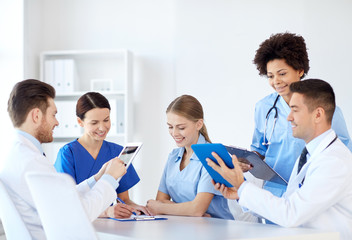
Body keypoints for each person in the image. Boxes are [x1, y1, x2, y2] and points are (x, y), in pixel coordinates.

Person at [208, 79, 352, 240]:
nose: (289, 117)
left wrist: (243, 186)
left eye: (295, 110)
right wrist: (241, 194)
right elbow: (286, 202)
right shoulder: (309, 154)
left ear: (318, 114)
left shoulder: (333, 161)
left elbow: (291, 214)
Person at [0, 79, 127, 240]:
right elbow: (75, 216)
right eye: (53, 114)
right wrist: (110, 179)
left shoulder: (16, 154)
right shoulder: (31, 162)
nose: (57, 122)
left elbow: (65, 199)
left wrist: (96, 179)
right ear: (36, 115)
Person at [247, 32, 352, 198]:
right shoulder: (263, 108)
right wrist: (245, 161)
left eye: (282, 74)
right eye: (270, 76)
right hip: (274, 194)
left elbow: (344, 153)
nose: (276, 82)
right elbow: (260, 150)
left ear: (300, 70)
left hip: (314, 193)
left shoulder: (324, 109)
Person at [54, 92, 150, 217]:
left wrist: (135, 208)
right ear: (80, 122)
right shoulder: (68, 154)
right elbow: (67, 203)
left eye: (106, 120)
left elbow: (124, 199)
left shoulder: (117, 152)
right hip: (80, 224)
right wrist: (106, 213)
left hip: (111, 227)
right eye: (94, 123)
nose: (102, 128)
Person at [146, 95, 233, 219]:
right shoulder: (173, 157)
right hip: (184, 227)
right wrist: (188, 209)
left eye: (181, 128)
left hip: (216, 232)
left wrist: (160, 207)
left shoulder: (213, 157)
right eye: (170, 127)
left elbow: (197, 209)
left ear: (199, 124)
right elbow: (160, 199)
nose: (174, 133)